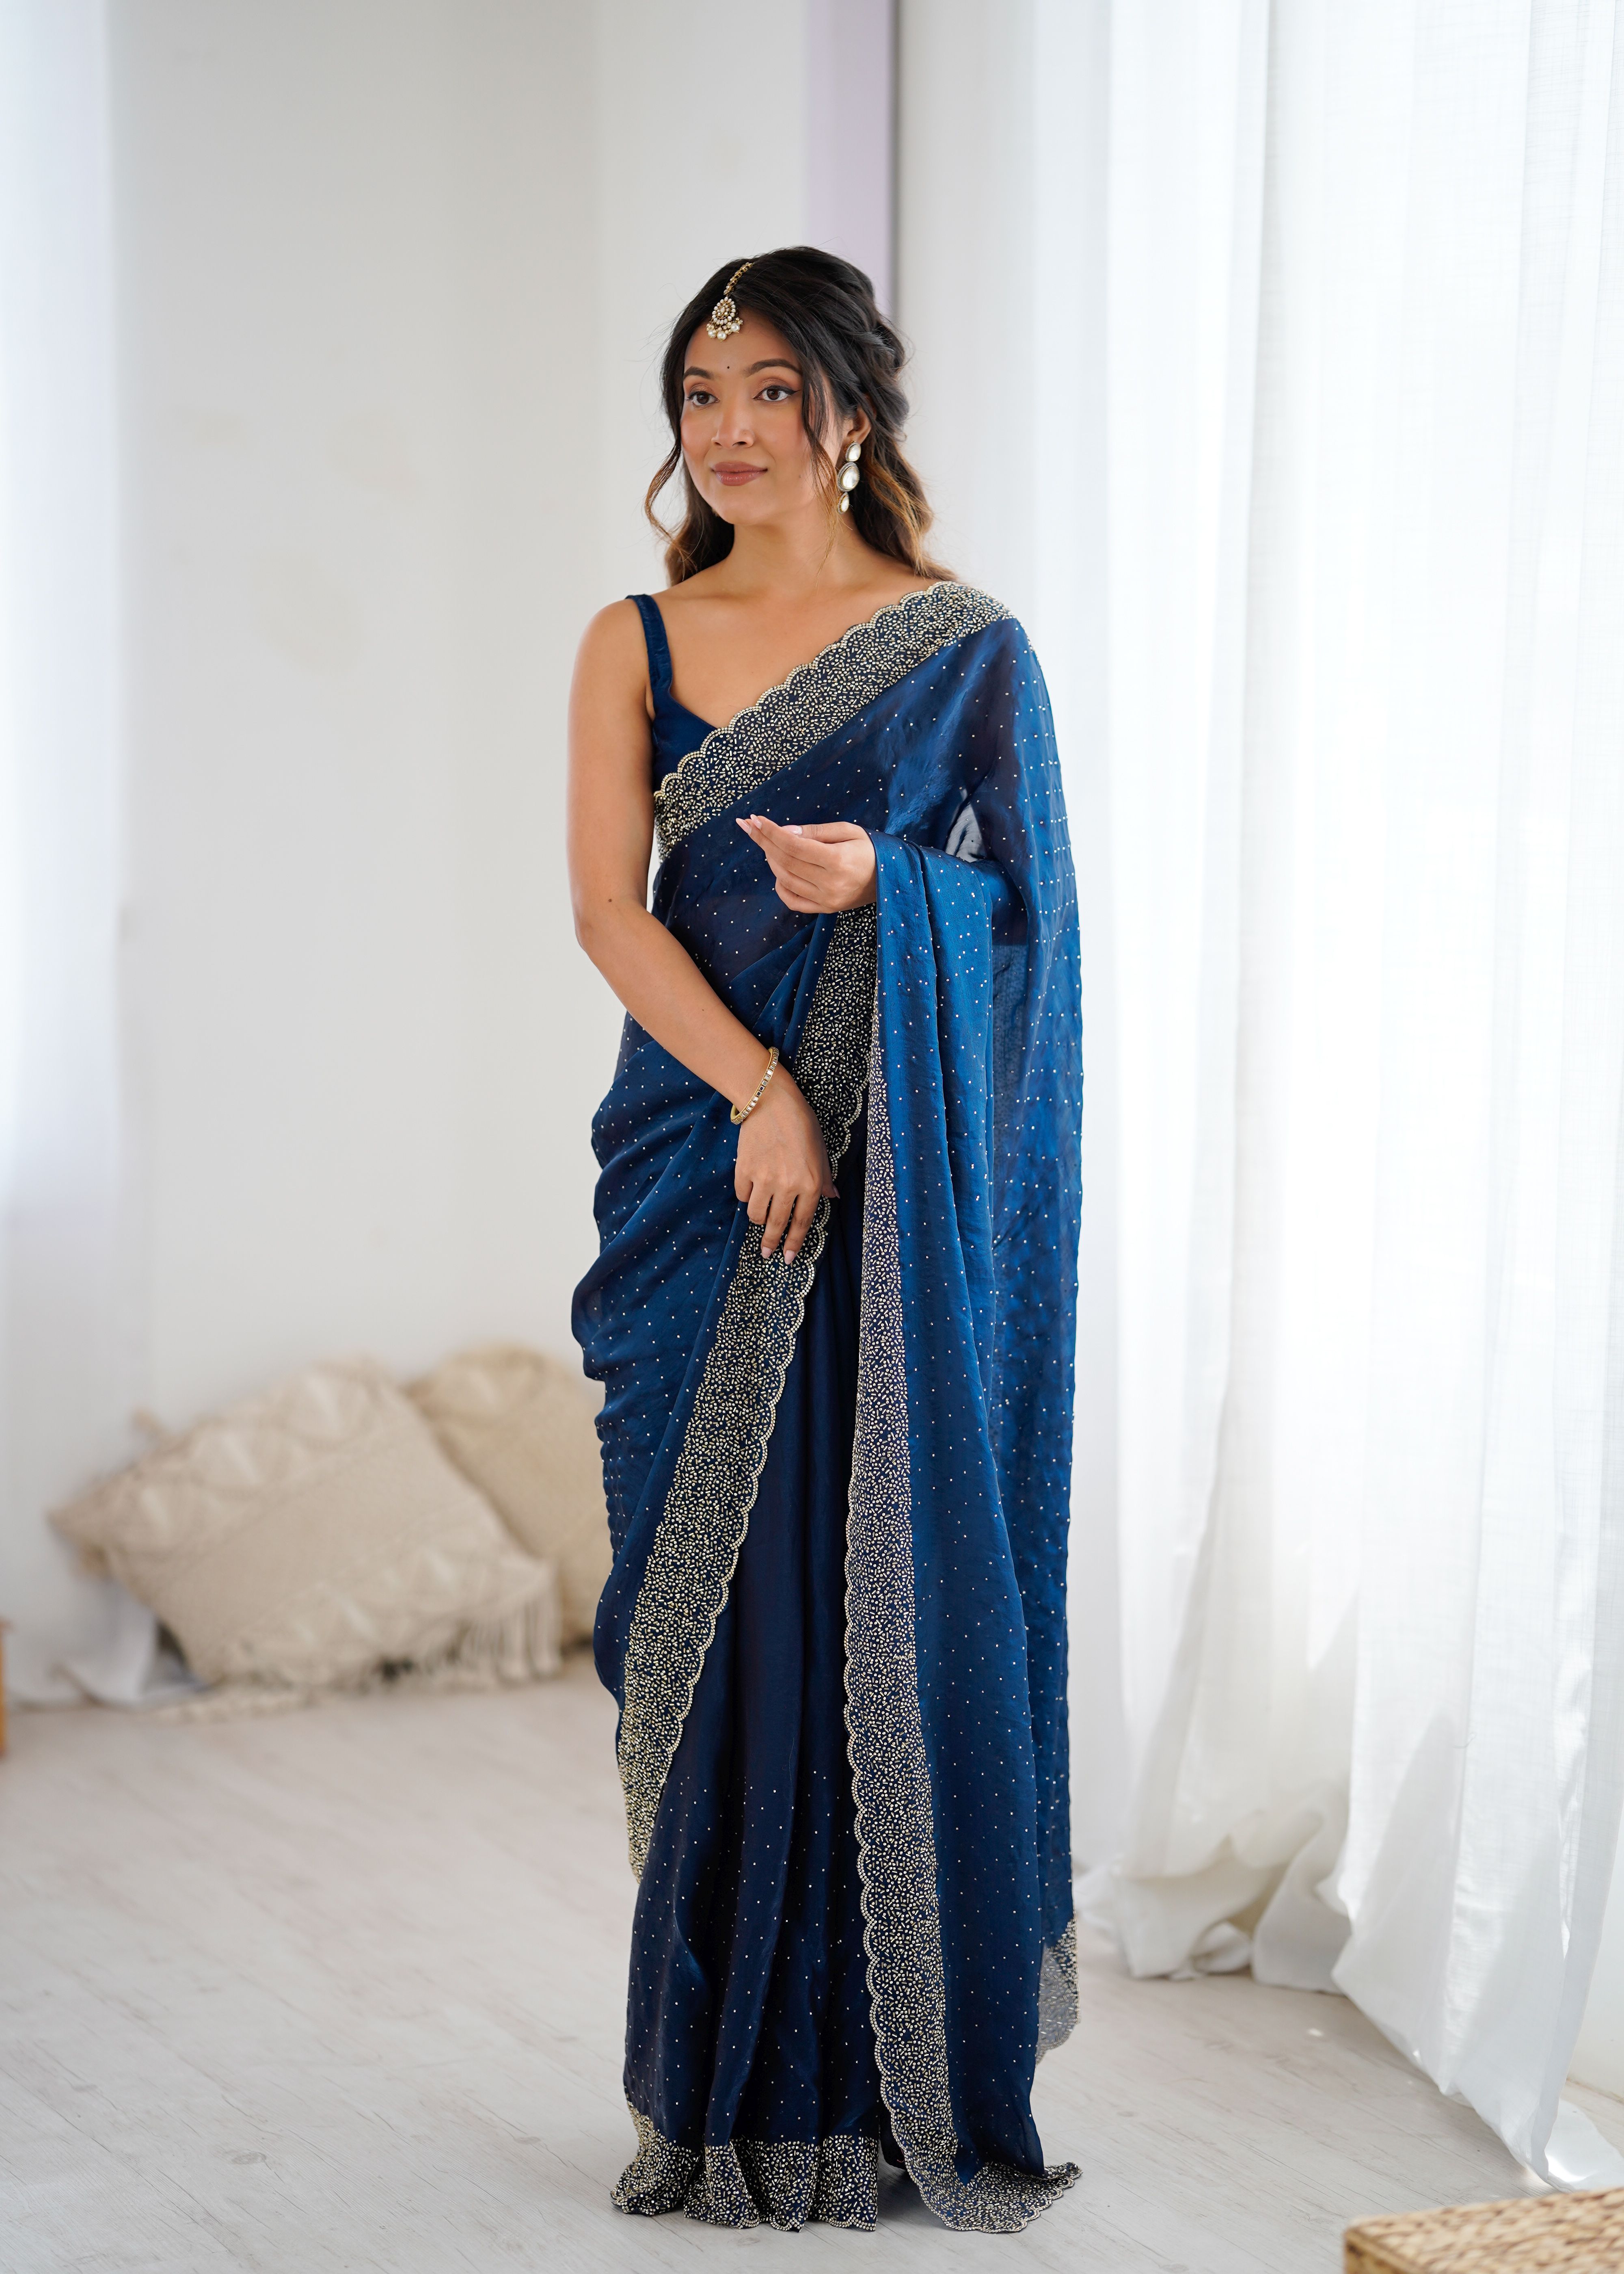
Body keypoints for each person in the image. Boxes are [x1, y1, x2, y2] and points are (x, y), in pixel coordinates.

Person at [568, 246, 1082, 2235]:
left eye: (772, 390)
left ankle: (873, 2096)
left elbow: (1032, 935)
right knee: (698, 1622)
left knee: (864, 1590)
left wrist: (890, 889)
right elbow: (609, 911)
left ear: (850, 413)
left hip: (891, 1205)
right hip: (701, 1167)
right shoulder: (635, 635)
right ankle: (713, 2097)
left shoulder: (965, 649)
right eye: (701, 393)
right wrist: (759, 1094)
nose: (730, 429)